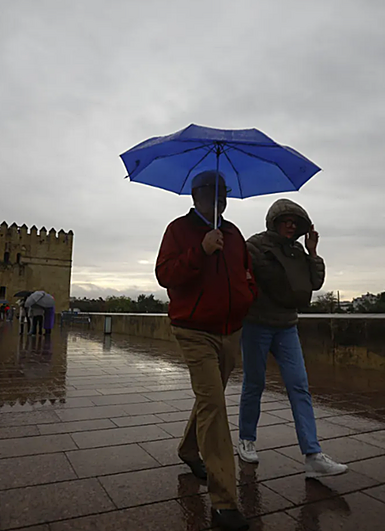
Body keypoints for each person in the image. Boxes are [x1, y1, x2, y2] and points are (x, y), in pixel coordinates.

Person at [156, 170, 257, 531]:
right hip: (194, 330)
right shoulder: (178, 230)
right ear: (195, 195)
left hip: (231, 331)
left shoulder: (234, 234)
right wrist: (199, 251)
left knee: (209, 398)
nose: (219, 200)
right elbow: (165, 275)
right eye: (212, 193)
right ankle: (224, 502)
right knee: (214, 404)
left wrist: (248, 295)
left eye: (223, 193)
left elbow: (247, 273)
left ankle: (188, 449)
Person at [236, 198, 348, 478]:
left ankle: (313, 454)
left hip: (287, 325)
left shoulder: (298, 251)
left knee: (299, 386)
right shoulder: (254, 246)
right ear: (273, 222)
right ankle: (246, 439)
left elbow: (315, 283)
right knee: (254, 383)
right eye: (285, 221)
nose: (290, 226)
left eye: (295, 223)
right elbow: (243, 279)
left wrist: (312, 252)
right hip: (257, 324)